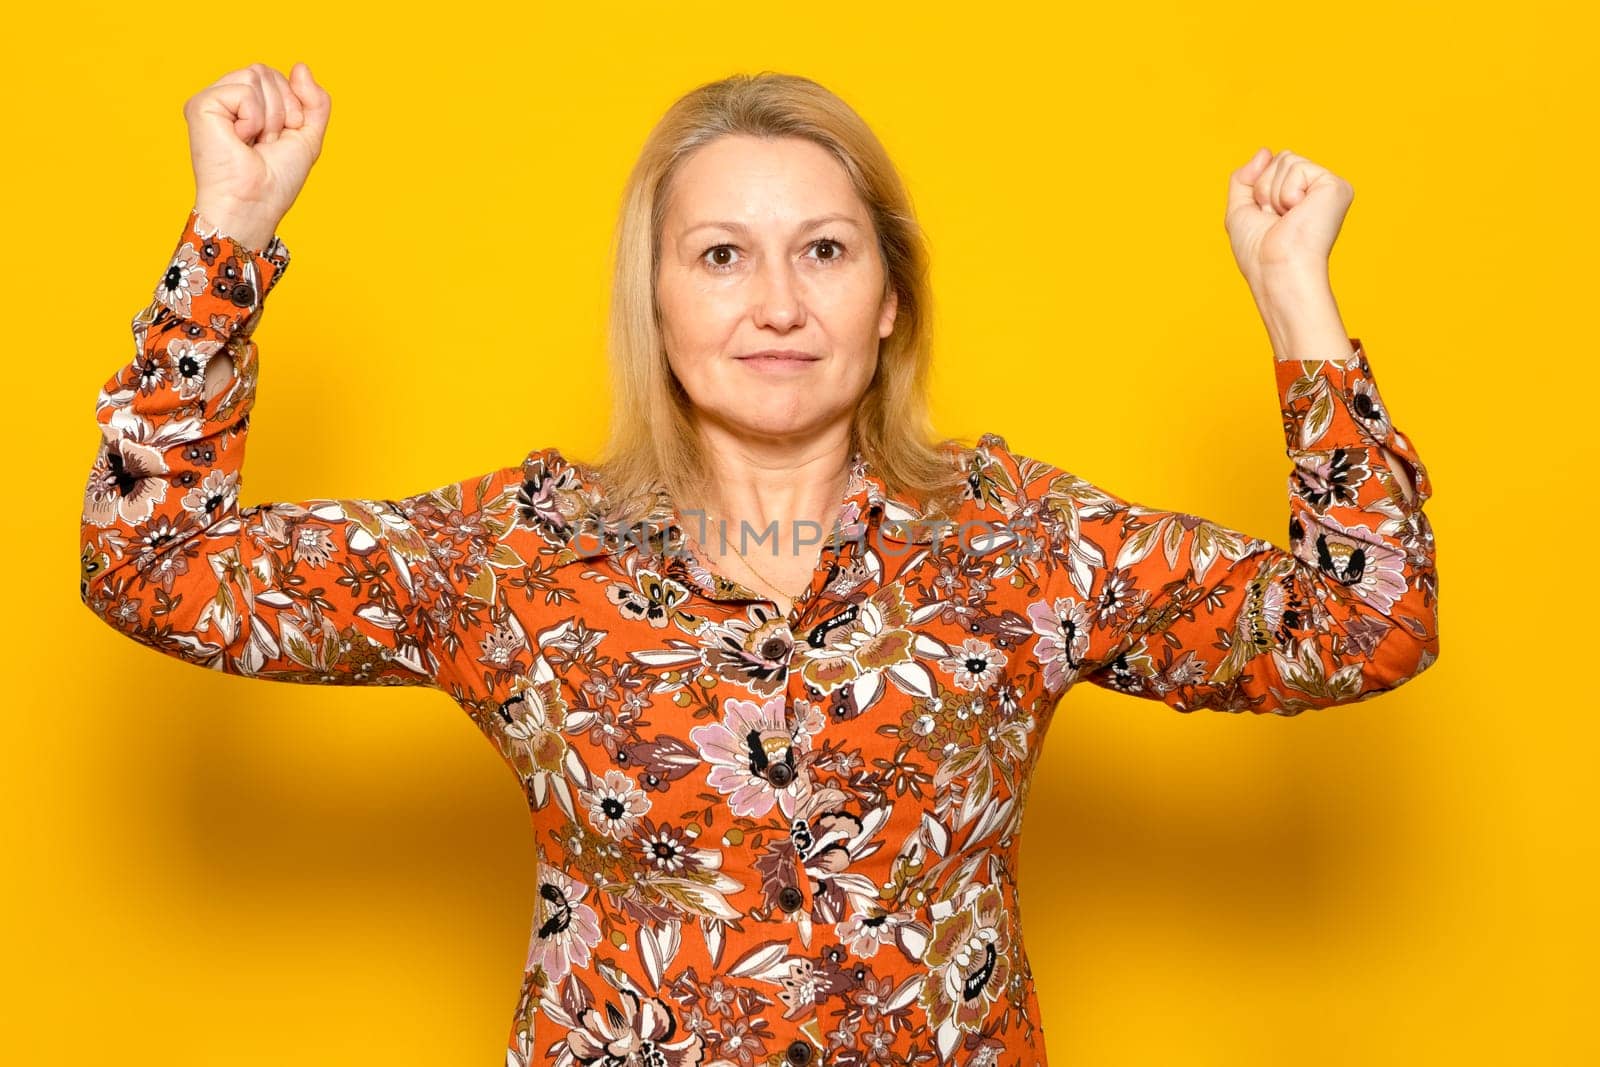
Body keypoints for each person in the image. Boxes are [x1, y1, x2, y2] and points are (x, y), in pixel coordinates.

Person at [79, 61, 1438, 1067]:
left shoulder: (1021, 539)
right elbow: (154, 560)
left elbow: (1361, 624)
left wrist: (1294, 296)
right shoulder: (516, 556)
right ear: (657, 299)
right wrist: (231, 234)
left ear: (889, 295)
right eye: (721, 256)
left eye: (825, 252)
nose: (779, 303)